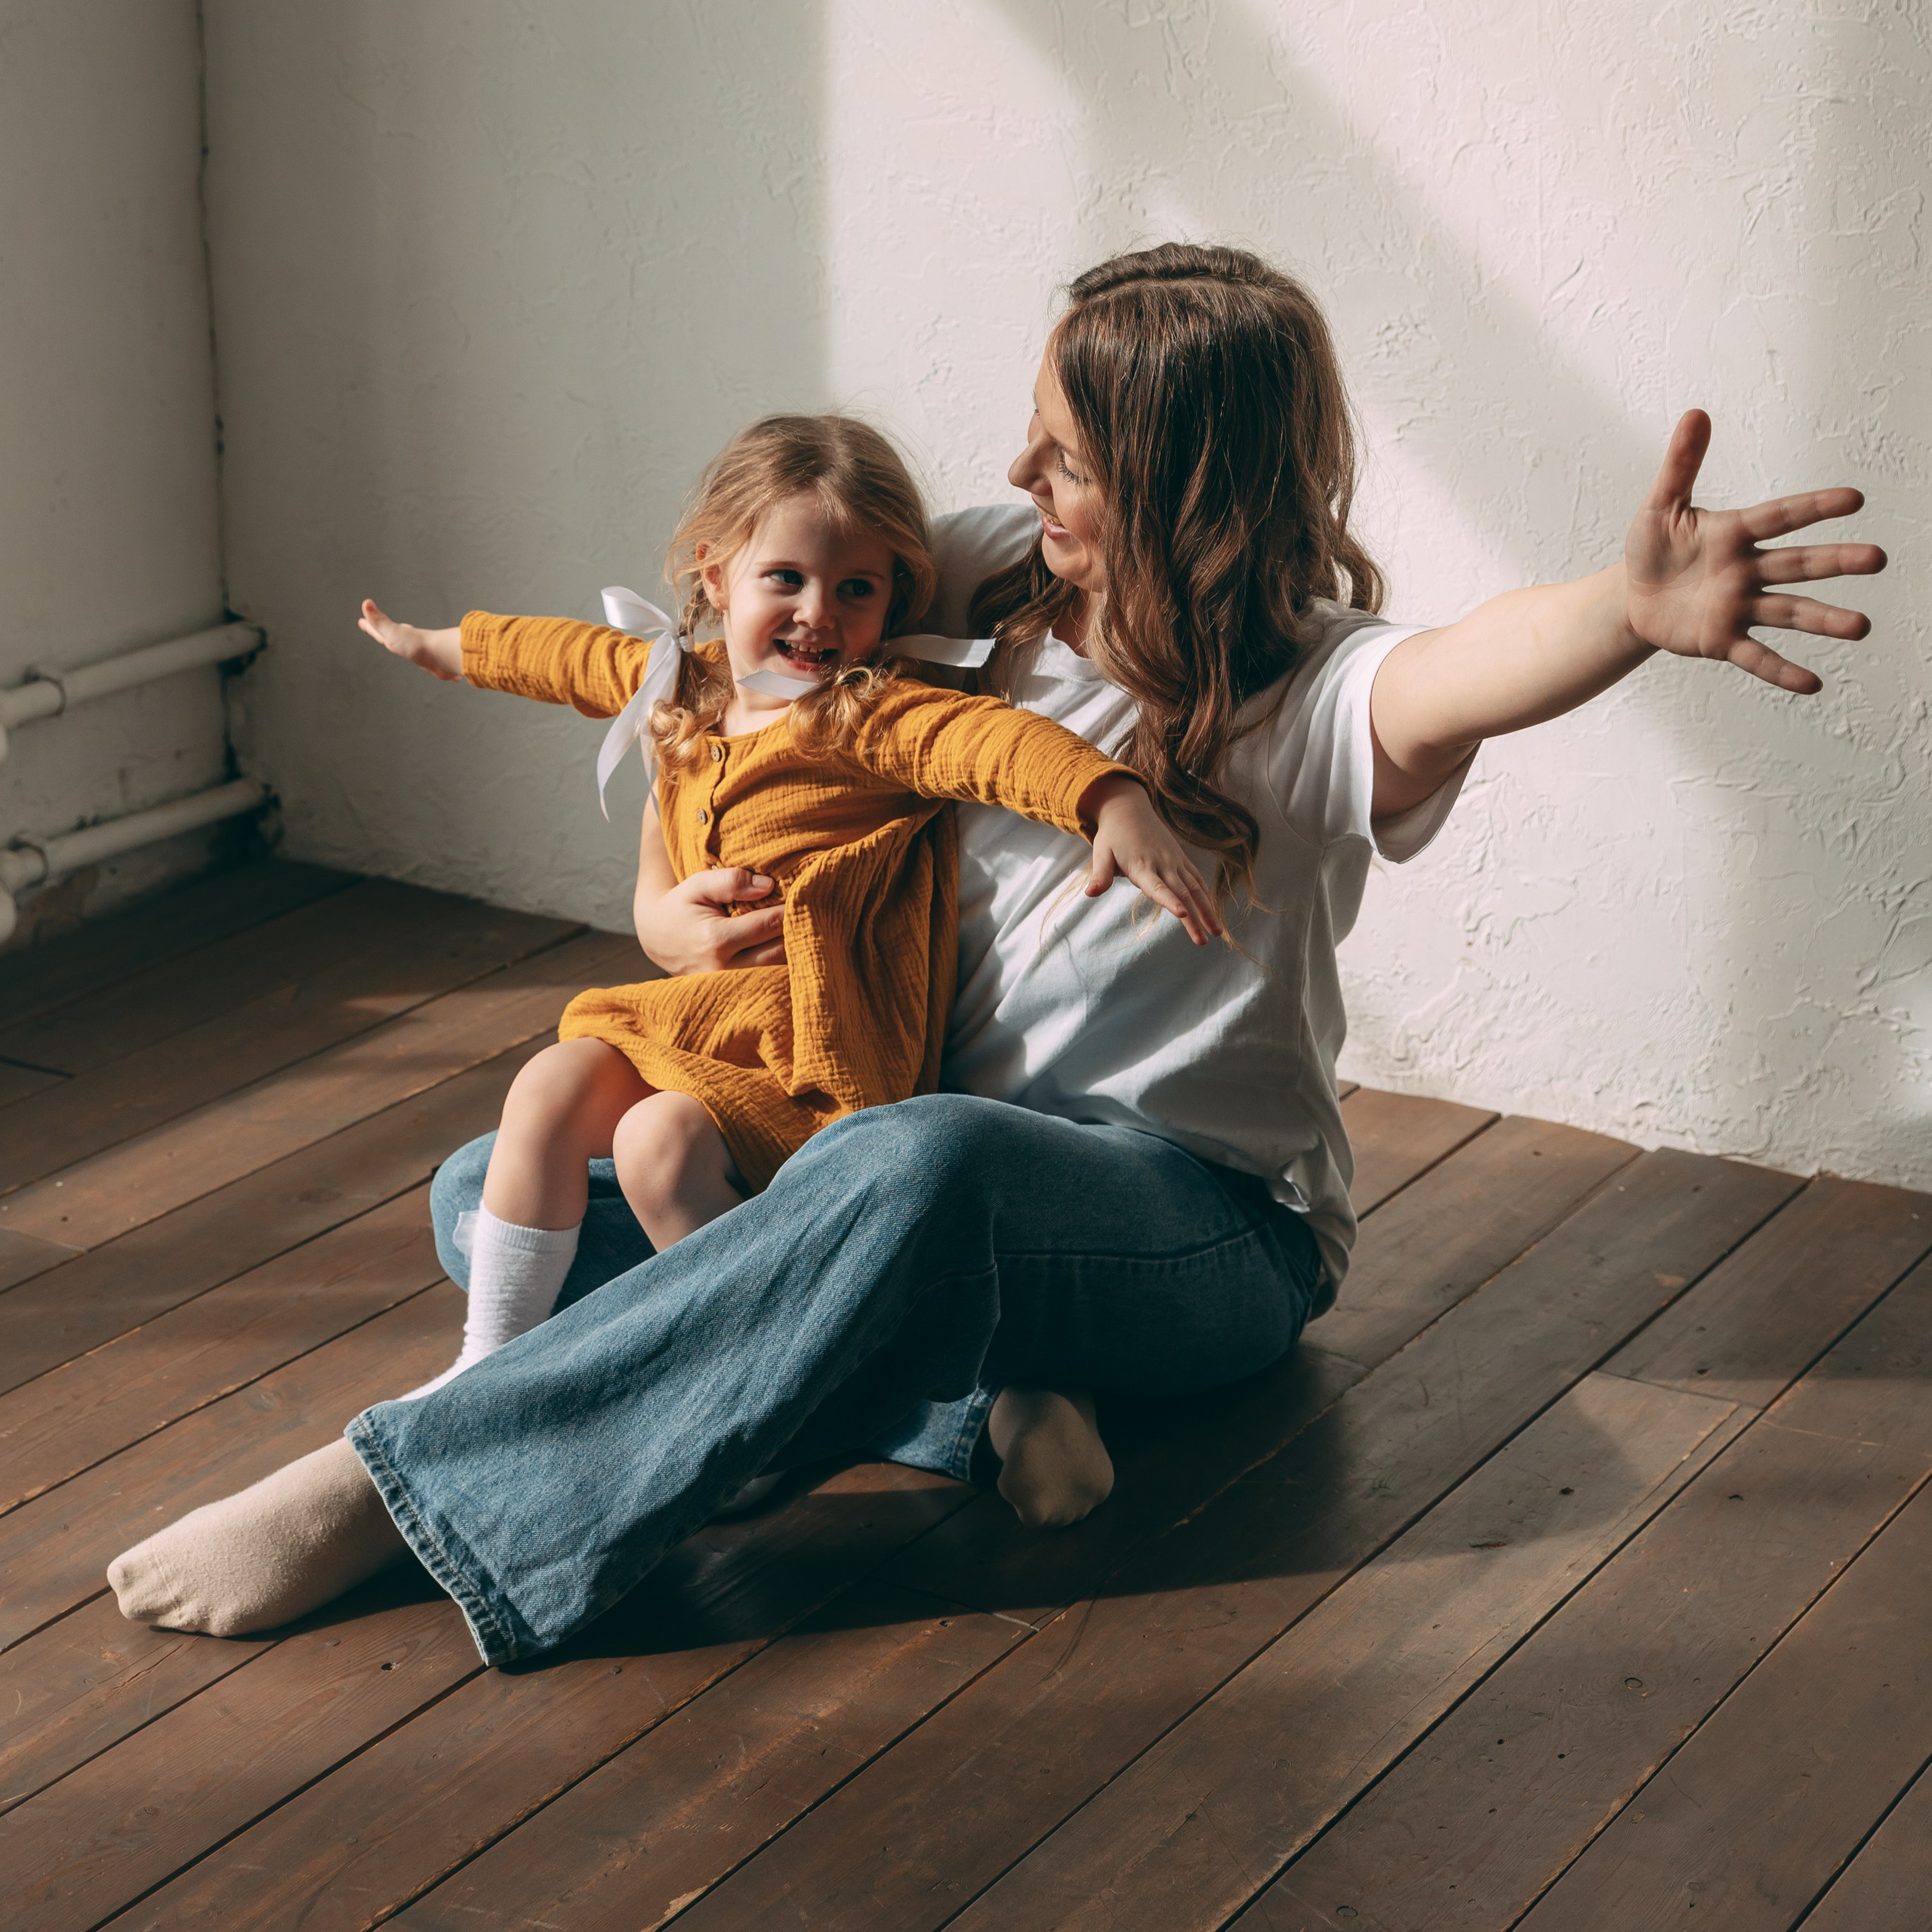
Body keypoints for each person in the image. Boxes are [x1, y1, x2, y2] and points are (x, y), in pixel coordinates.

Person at [106, 244, 1884, 1665]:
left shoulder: (1316, 688)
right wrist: (662, 908)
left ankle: (408, 1486)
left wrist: (1626, 613)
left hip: (1194, 1234)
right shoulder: (980, 579)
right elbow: (705, 682)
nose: (1018, 469)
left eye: (1066, 451)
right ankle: (977, 1399)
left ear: (1181, 480)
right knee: (492, 1181)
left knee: (912, 1161)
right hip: (891, 1167)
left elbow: (1467, 662)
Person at [353, 414, 1214, 1404]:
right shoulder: (689, 686)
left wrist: (1112, 797)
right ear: (715, 577)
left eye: (857, 589)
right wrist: (439, 645)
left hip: (813, 1052)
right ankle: (487, 1366)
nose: (820, 614)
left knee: (645, 1144)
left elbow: (996, 744)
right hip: (711, 1031)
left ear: (893, 598)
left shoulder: (871, 715)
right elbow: (570, 658)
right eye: (787, 580)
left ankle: (767, 1378)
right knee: (558, 1095)